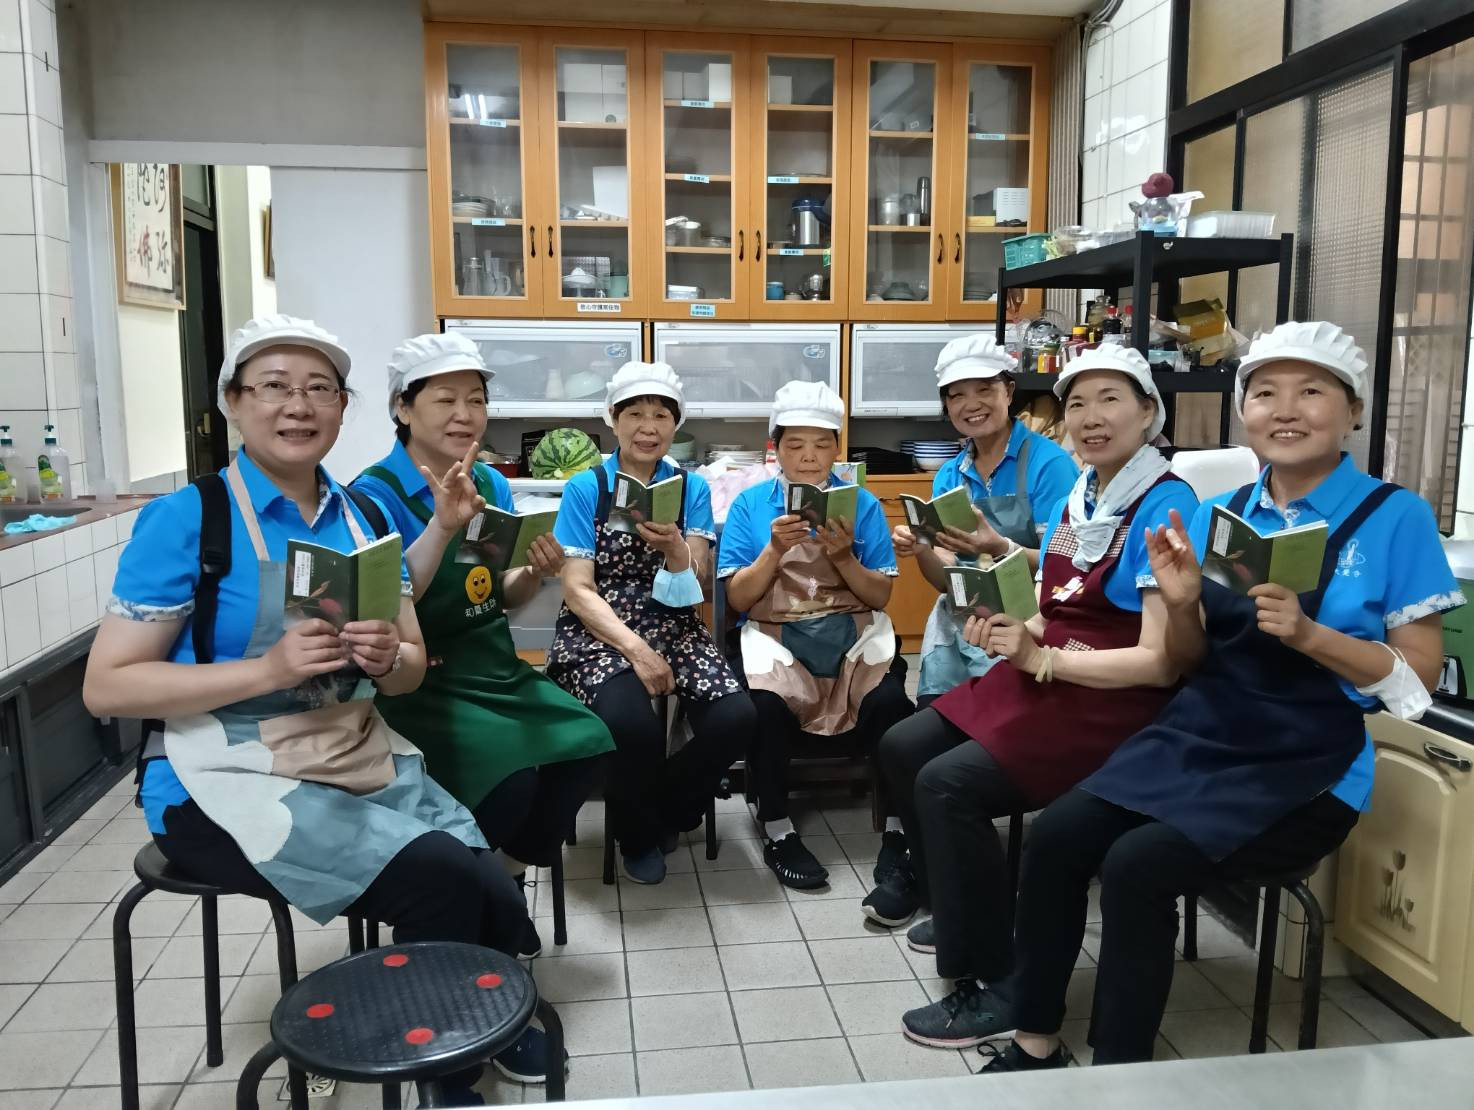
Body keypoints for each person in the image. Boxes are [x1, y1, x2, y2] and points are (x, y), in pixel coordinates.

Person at [972, 321, 1464, 1074]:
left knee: (1136, 867)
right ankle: (1034, 1040)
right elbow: (1189, 659)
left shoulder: (1395, 517)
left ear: (1354, 410)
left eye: (1311, 391)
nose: (1285, 409)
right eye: (1265, 393)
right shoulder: (1219, 512)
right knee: (1057, 837)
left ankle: (1120, 1076)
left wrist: (1311, 636)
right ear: (1245, 412)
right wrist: (1179, 605)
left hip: (1311, 764)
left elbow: (1417, 680)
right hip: (1200, 734)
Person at [83, 315, 552, 1097]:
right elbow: (108, 687)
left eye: (320, 390)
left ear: (343, 407)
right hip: (218, 779)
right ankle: (447, 1071)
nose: (298, 406)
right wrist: (265, 669)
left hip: (348, 753)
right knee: (441, 877)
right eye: (274, 387)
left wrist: (387, 656)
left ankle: (484, 1015)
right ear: (234, 402)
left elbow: (405, 674)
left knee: (492, 883)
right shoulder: (191, 520)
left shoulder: (359, 521)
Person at [882, 346, 1199, 1043]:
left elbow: (1158, 664)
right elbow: (1056, 587)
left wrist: (1043, 655)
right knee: (903, 746)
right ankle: (970, 909)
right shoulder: (1082, 492)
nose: (1091, 417)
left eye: (1111, 399)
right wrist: (1011, 604)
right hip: (1044, 666)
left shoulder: (1167, 504)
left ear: (1148, 411)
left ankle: (1002, 984)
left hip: (1107, 697)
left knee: (947, 784)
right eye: (1077, 403)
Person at [352, 333, 614, 956]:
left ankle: (498, 882)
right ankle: (473, 918)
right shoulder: (373, 496)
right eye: (445, 400)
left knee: (590, 744)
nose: (465, 414)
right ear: (402, 408)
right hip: (421, 681)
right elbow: (384, 606)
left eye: (475, 399)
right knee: (512, 781)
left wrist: (537, 573)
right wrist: (442, 527)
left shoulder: (491, 484)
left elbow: (497, 594)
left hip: (493, 667)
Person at [866, 335, 1078, 912]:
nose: (970, 404)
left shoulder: (1049, 465)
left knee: (956, 763)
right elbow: (945, 581)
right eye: (956, 395)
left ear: (1009, 391)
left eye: (983, 389)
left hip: (1029, 629)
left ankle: (963, 884)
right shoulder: (950, 474)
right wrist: (922, 549)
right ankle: (926, 871)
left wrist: (997, 545)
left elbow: (1064, 567)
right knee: (915, 747)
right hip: (962, 625)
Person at [546, 361, 755, 885]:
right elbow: (577, 587)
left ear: (675, 424)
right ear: (613, 420)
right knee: (631, 725)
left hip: (674, 622)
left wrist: (678, 550)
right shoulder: (586, 488)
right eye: (635, 414)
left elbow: (701, 582)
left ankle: (666, 806)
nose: (648, 427)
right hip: (599, 629)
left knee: (736, 718)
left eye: (661, 415)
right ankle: (636, 835)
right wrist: (637, 652)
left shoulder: (691, 488)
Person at [717, 381, 914, 888]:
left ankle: (899, 829)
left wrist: (844, 556)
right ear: (775, 449)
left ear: (837, 449)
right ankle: (777, 826)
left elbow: (880, 597)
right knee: (764, 708)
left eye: (822, 444)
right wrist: (773, 550)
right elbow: (737, 600)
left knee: (891, 704)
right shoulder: (750, 506)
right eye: (796, 444)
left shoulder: (862, 504)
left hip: (852, 635)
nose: (809, 457)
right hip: (774, 635)